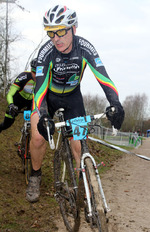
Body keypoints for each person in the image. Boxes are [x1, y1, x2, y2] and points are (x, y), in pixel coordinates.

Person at [26, 5, 125, 203]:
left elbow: (104, 78)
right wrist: (43, 113)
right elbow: (39, 88)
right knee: (38, 137)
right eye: (51, 33)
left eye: (61, 31)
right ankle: (35, 175)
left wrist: (115, 103)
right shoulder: (47, 52)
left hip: (73, 98)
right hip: (48, 98)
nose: (56, 38)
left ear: (74, 29)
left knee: (78, 145)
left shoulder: (85, 48)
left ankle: (83, 187)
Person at [0, 58, 37, 133]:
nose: (35, 75)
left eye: (38, 73)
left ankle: (28, 139)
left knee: (35, 124)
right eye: (33, 72)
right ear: (30, 70)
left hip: (31, 101)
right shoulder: (24, 76)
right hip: (18, 100)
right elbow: (10, 94)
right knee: (6, 124)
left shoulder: (44, 79)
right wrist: (11, 104)